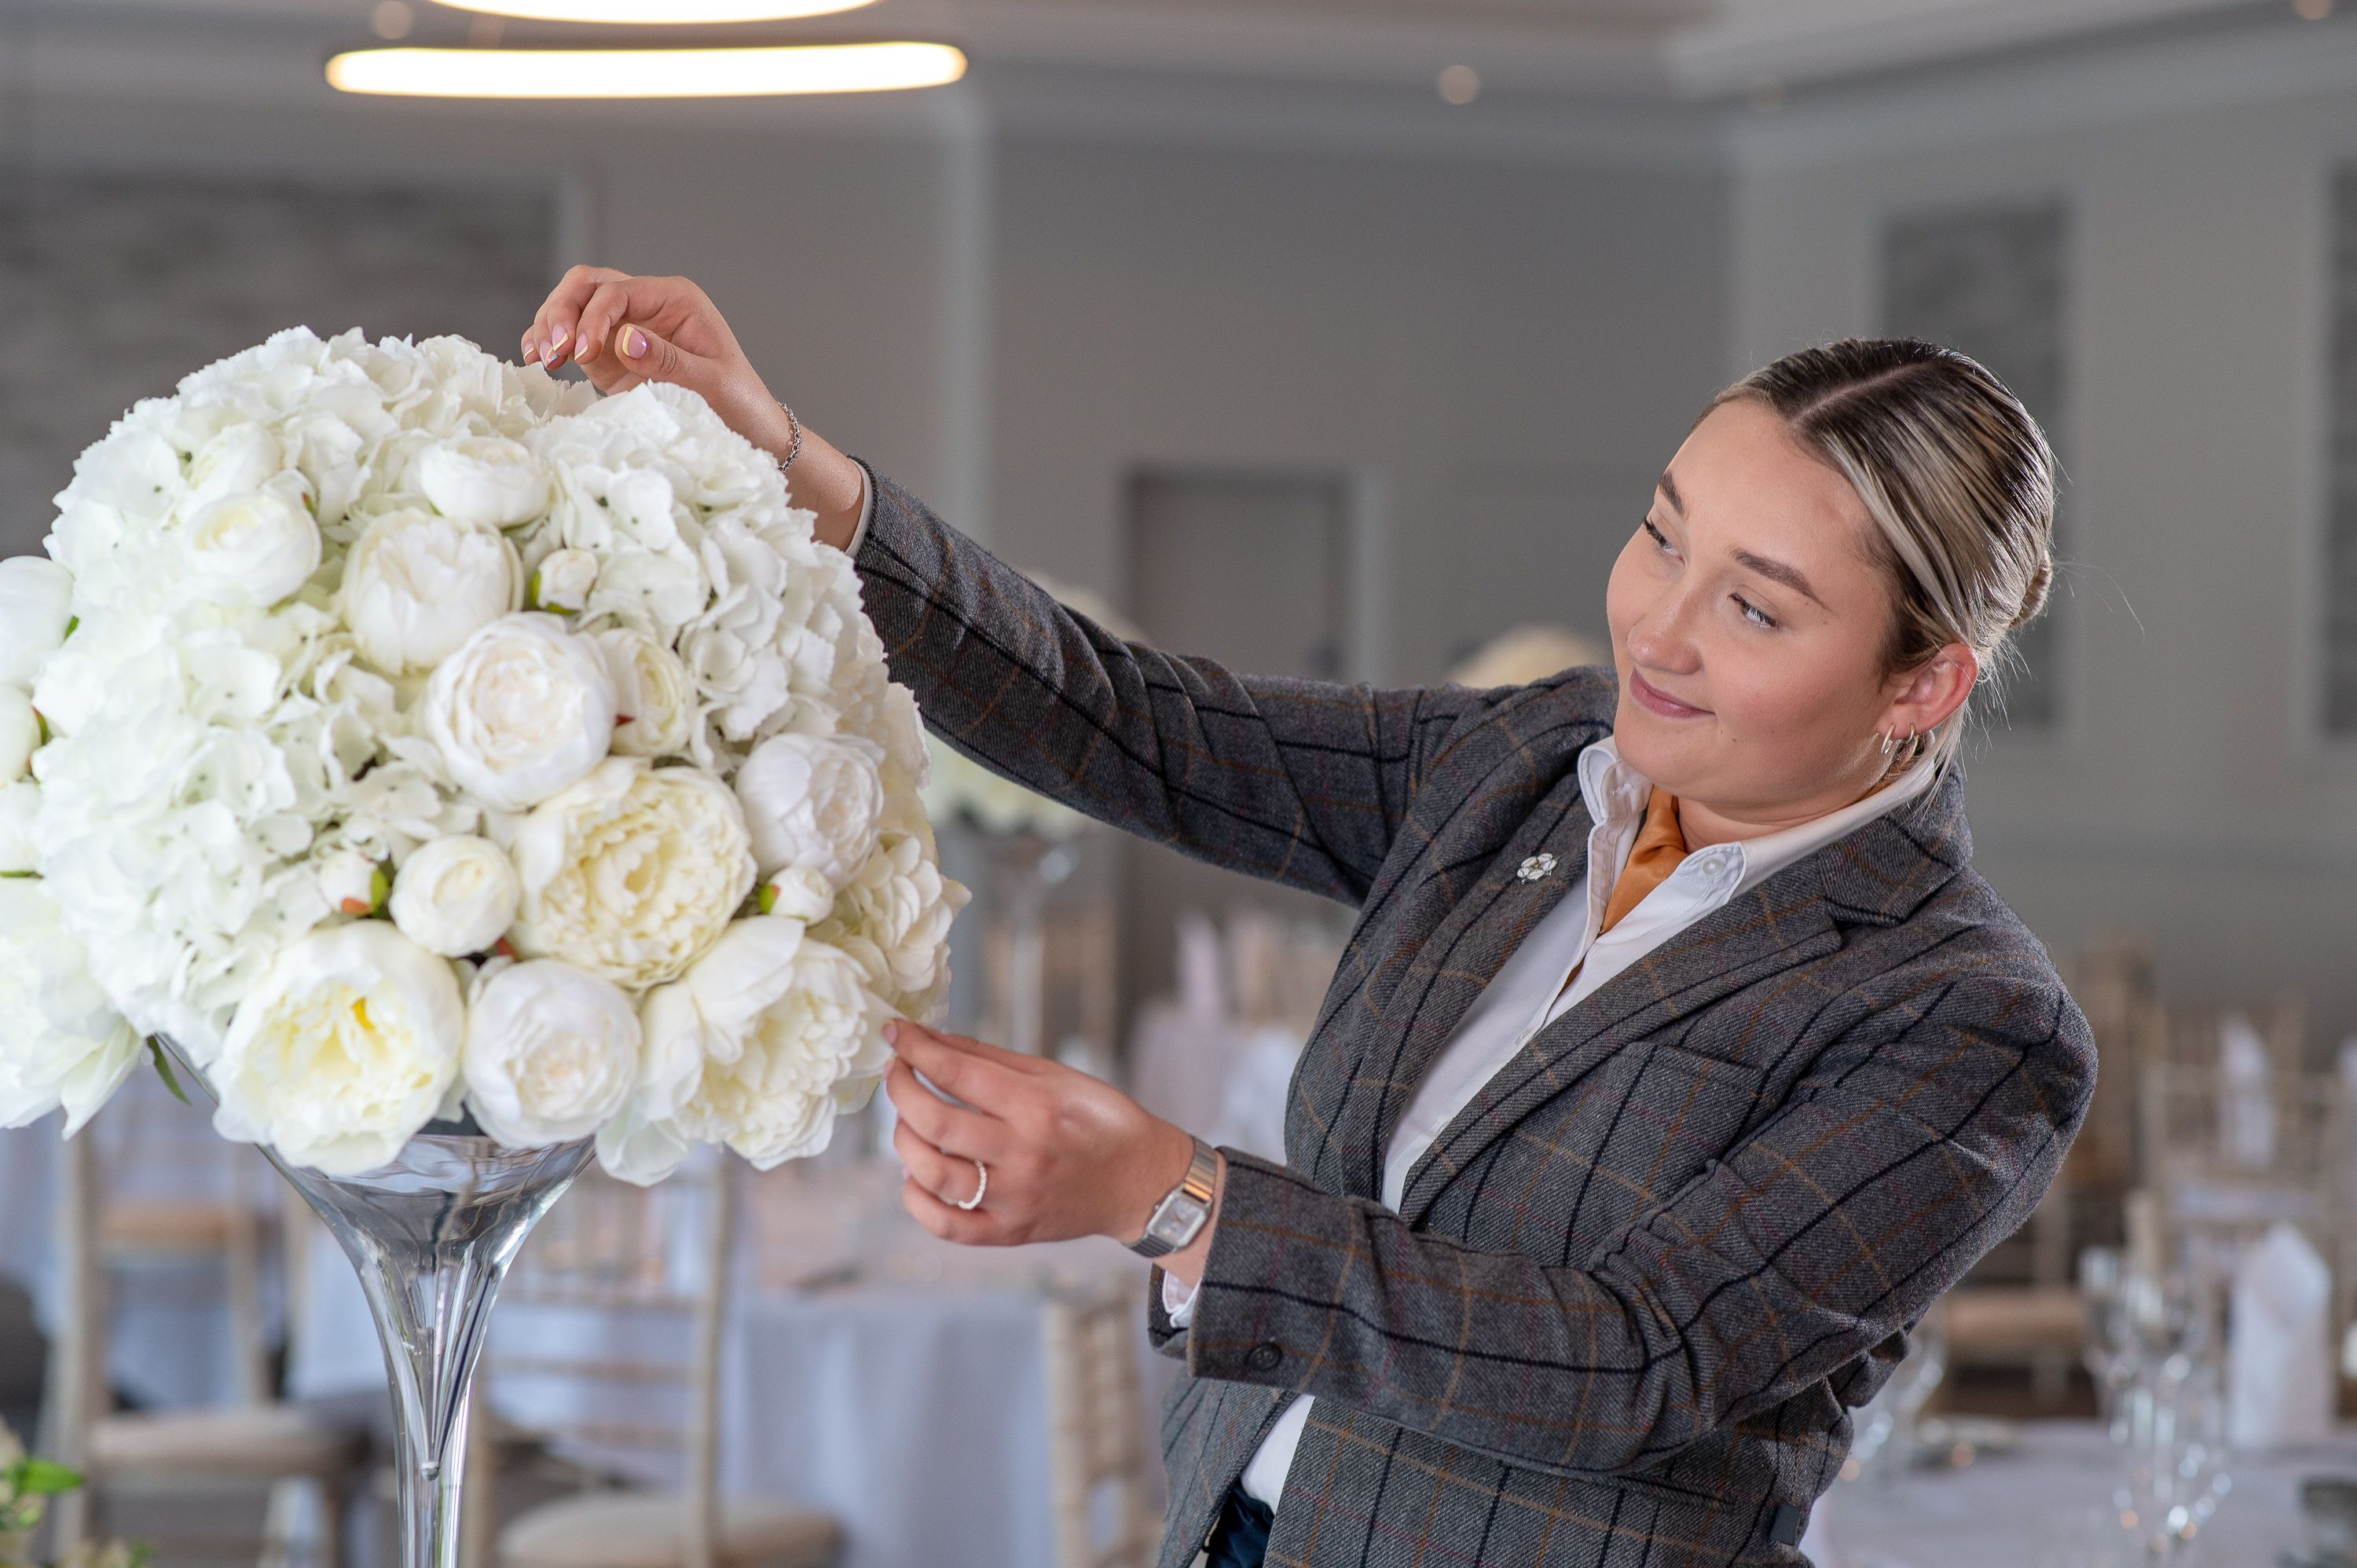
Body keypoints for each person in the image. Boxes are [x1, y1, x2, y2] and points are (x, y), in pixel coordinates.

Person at [521, 269, 2095, 1568]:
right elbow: (1126, 718)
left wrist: (1180, 1196)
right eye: (1663, 533)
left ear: (1923, 681)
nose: (1658, 628)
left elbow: (1635, 1356)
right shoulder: (1527, 765)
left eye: (1754, 605)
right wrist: (791, 464)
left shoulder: (1960, 1014)